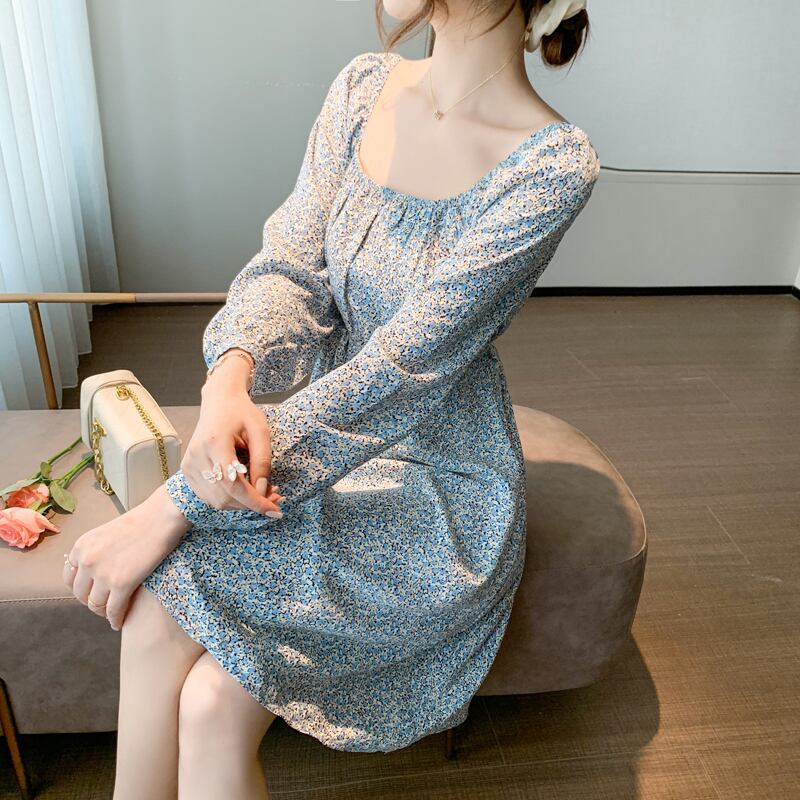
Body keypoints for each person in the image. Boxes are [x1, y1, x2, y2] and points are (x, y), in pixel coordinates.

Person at [63, 1, 599, 797]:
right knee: (183, 665)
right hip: (322, 451)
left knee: (202, 686)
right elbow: (291, 268)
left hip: (440, 493)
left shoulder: (551, 167)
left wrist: (178, 502)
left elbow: (401, 371)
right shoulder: (363, 88)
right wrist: (228, 377)